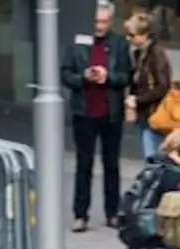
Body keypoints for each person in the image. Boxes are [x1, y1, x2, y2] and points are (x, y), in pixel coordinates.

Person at [62, 1, 131, 233]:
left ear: (110, 22)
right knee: (84, 165)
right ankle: (80, 214)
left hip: (110, 113)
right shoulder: (77, 43)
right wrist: (83, 76)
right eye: (96, 22)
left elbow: (125, 76)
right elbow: (65, 74)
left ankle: (113, 212)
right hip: (84, 112)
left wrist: (108, 77)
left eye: (103, 22)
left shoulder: (119, 44)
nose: (99, 26)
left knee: (111, 165)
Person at [123, 12, 172, 161]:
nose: (129, 38)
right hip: (146, 113)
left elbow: (163, 87)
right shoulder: (140, 53)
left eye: (132, 35)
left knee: (153, 158)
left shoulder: (156, 54)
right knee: (151, 156)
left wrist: (137, 100)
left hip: (154, 114)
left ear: (144, 35)